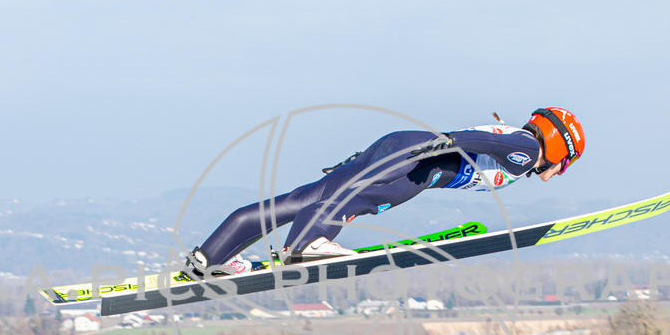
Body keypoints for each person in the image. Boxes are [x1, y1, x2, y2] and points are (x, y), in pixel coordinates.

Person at [187, 107, 584, 275]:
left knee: (296, 201)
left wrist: (359, 161)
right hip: (416, 159)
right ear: (557, 145)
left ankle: (209, 258)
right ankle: (307, 244)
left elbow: (481, 139)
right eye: (566, 162)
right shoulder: (527, 150)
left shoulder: (520, 141)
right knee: (370, 197)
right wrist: (442, 143)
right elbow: (480, 140)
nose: (560, 172)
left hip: (401, 147)